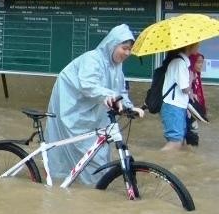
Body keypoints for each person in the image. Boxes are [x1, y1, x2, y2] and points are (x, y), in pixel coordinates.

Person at [45, 24, 145, 184]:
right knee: (77, 146)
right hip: (72, 105)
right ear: (113, 44)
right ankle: (75, 187)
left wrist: (128, 106)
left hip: (95, 107)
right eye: (124, 48)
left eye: (129, 49)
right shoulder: (92, 58)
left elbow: (120, 90)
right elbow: (88, 84)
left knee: (101, 147)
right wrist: (108, 94)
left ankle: (92, 188)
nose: (127, 53)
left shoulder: (117, 66)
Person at [160, 43, 200, 151]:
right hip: (173, 107)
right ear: (188, 46)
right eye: (197, 44)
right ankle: (155, 162)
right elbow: (184, 88)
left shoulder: (181, 62)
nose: (198, 46)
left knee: (179, 142)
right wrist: (191, 83)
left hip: (175, 107)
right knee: (175, 143)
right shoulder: (180, 62)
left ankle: (167, 165)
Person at [186, 52, 206, 146]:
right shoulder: (190, 73)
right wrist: (191, 94)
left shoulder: (196, 74)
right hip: (188, 109)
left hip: (192, 108)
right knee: (192, 131)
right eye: (198, 62)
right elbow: (186, 90)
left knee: (192, 130)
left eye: (202, 62)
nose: (201, 64)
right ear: (192, 62)